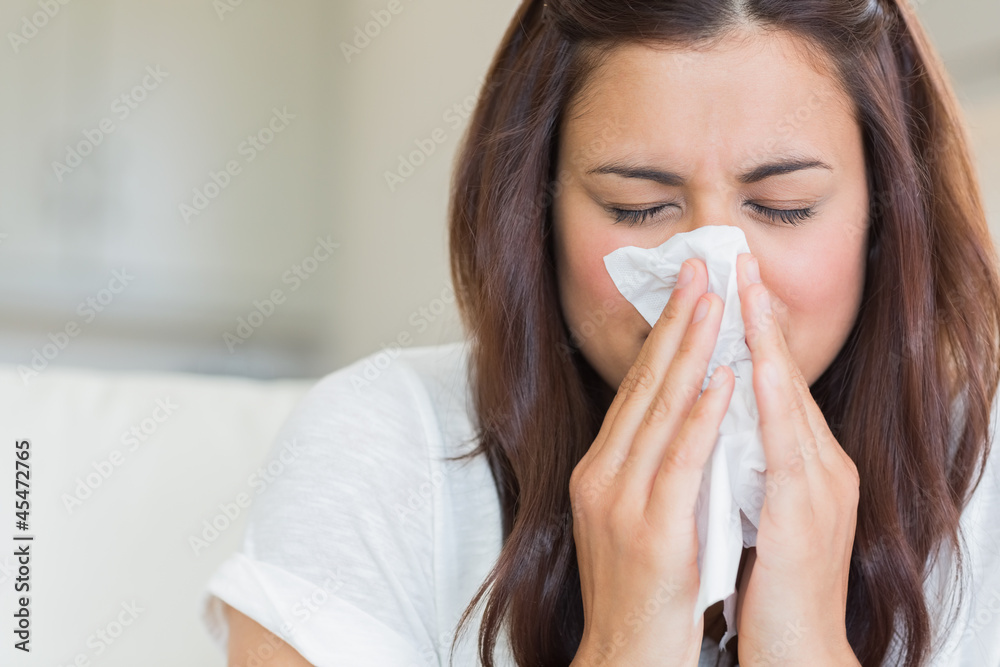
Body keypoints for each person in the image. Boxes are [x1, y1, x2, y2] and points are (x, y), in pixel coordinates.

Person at [200, 0, 1000, 665]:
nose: (709, 282)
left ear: (888, 217)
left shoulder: (987, 479)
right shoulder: (382, 445)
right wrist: (626, 642)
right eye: (636, 208)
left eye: (783, 207)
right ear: (535, 214)